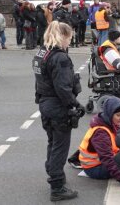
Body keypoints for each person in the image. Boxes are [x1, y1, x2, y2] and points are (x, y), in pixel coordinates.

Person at [32, 21, 85, 201]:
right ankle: (57, 187)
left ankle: (55, 175)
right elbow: (63, 87)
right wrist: (75, 105)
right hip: (57, 106)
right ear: (62, 36)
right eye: (69, 38)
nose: (70, 42)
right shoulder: (60, 57)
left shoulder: (42, 53)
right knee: (60, 147)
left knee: (52, 142)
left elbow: (39, 81)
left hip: (45, 103)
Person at [75, 96, 120, 187]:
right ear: (110, 114)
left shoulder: (109, 122)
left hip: (100, 162)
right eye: (118, 115)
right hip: (94, 167)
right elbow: (107, 159)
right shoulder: (100, 133)